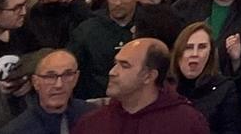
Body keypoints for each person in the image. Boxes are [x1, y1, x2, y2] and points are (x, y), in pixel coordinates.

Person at [76, 40, 210, 134]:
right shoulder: (93, 123)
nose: (112, 72)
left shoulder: (186, 123)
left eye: (124, 65)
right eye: (115, 63)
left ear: (149, 76)